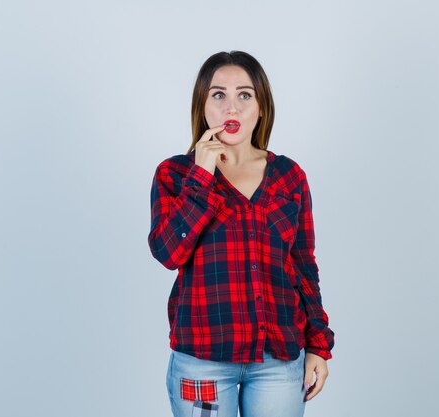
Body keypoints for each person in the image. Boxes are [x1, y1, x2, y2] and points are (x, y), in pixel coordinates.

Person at [147, 51, 335, 417]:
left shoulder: (288, 176)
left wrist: (318, 345)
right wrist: (201, 175)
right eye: (218, 95)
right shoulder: (174, 174)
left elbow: (303, 267)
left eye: (244, 95)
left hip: (278, 360)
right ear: (202, 106)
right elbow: (169, 252)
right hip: (203, 360)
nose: (231, 108)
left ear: (261, 107)